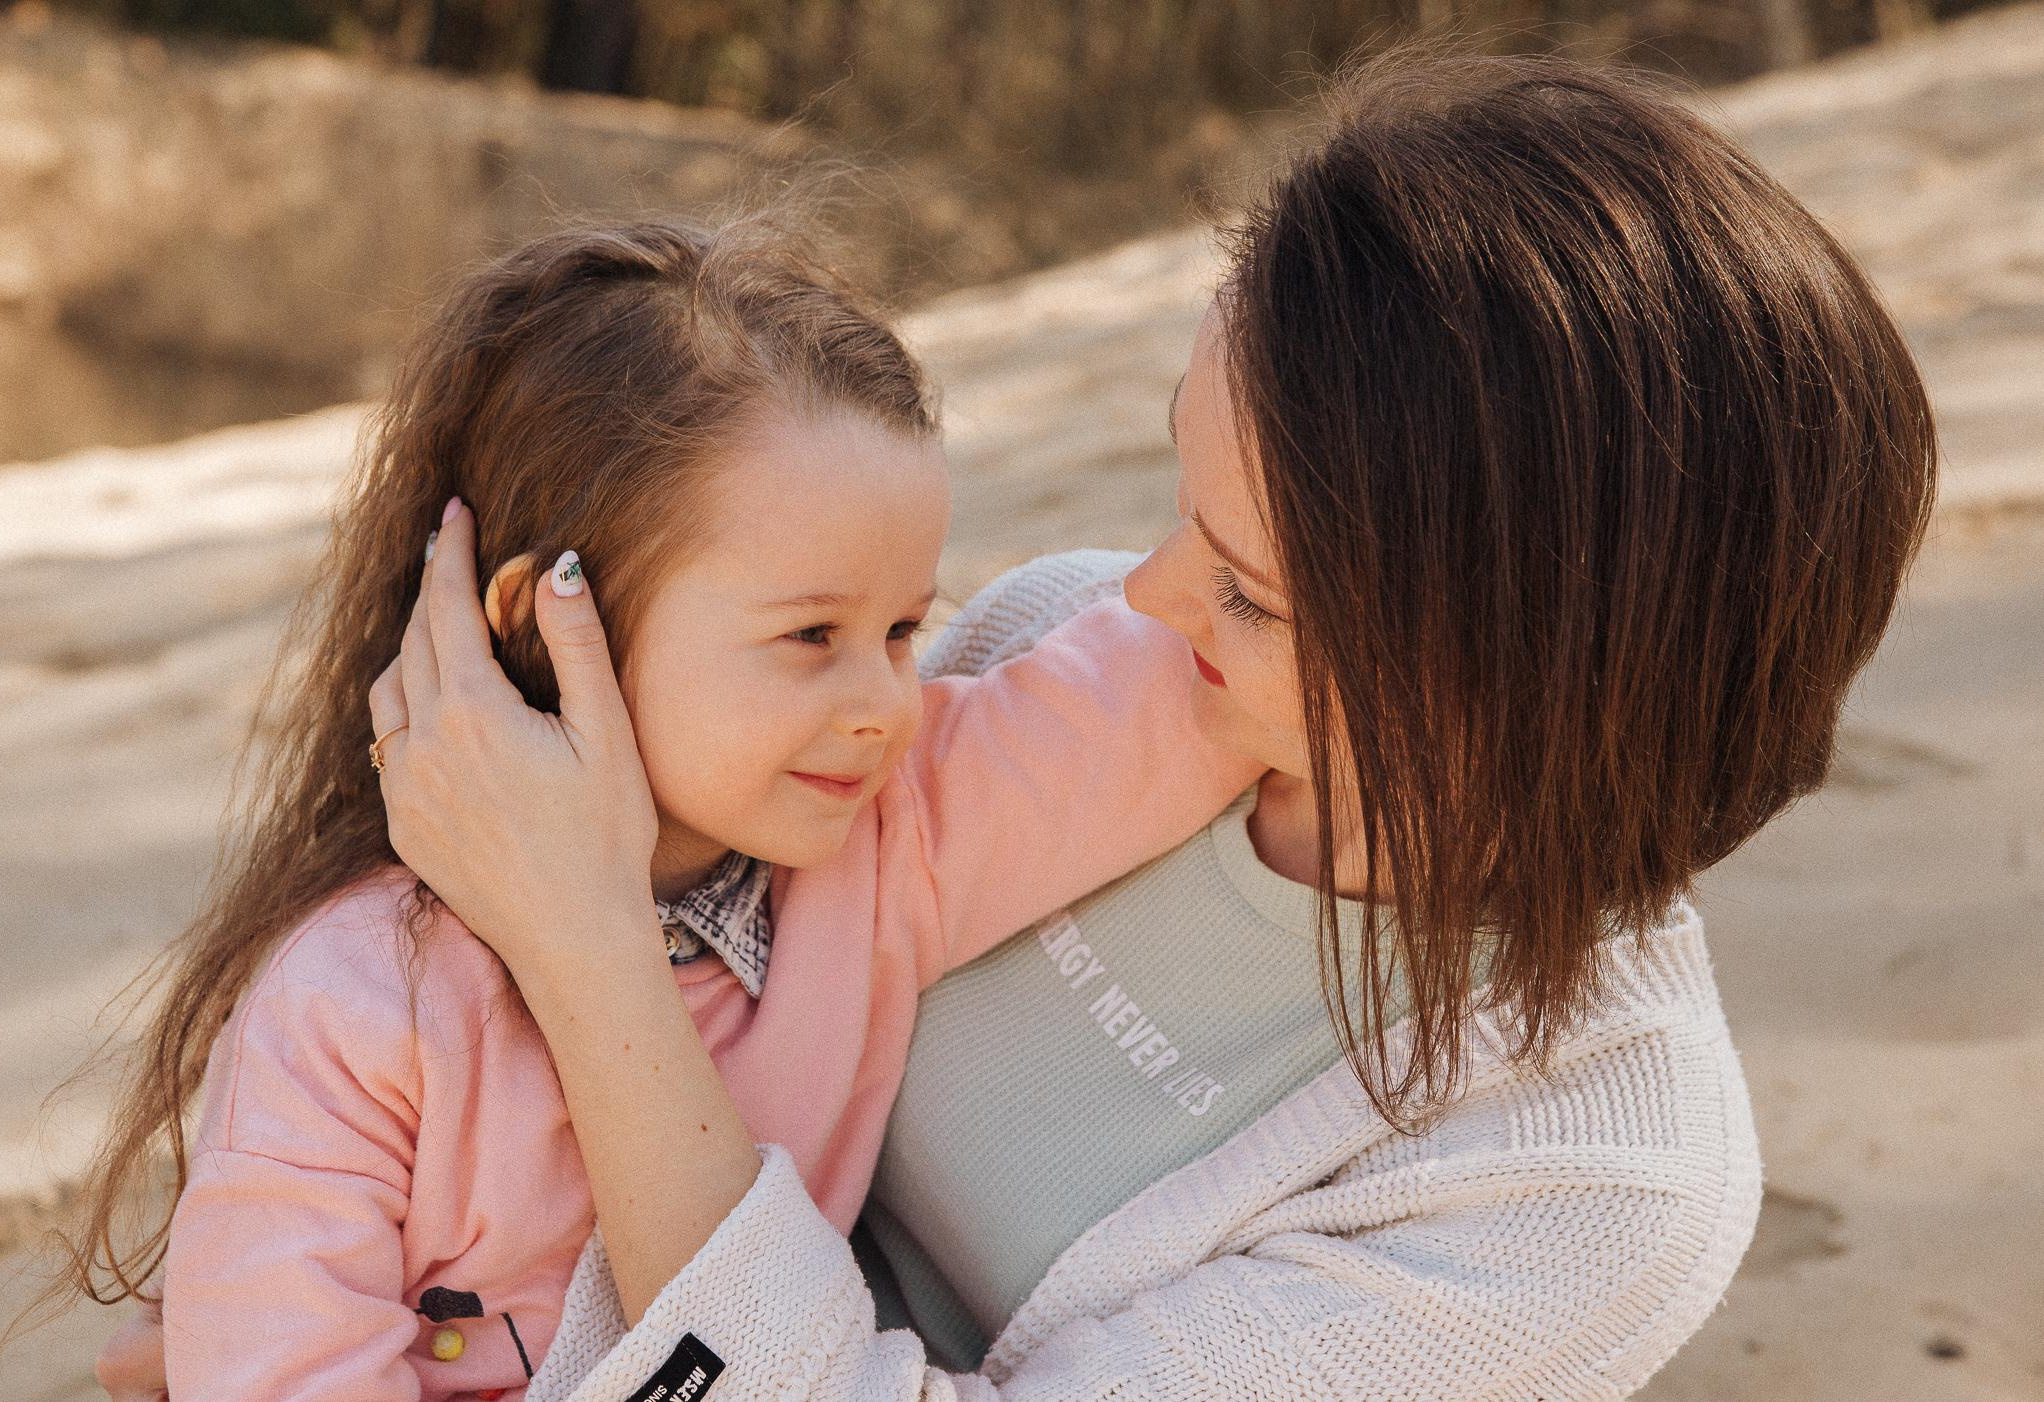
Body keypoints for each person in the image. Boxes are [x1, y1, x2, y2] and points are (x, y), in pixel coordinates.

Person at [362, 51, 1937, 1400]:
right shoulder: (1071, 660)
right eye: (1186, 503)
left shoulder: (1592, 1179)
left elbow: (613, 968)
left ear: (1523, 679)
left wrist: (584, 946)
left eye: (1248, 591)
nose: (1147, 593)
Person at [71, 220, 1258, 1400]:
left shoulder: (882, 853)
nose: (883, 705)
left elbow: (1170, 700)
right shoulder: (358, 1003)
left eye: (902, 629)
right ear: (550, 618)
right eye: (811, 635)